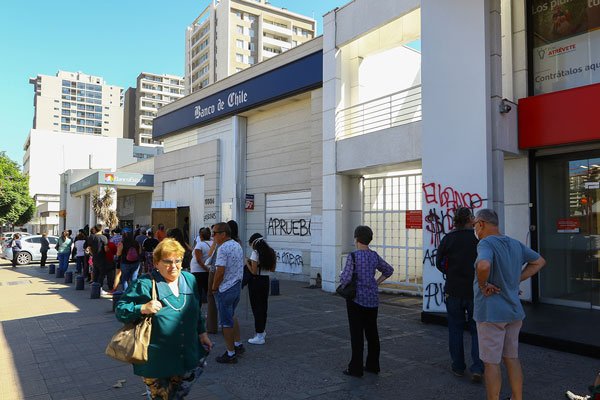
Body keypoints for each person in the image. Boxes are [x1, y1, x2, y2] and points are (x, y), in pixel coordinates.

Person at [115, 238, 213, 399]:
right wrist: (142, 308)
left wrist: (202, 334)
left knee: (178, 395)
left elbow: (196, 310)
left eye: (178, 261)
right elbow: (120, 310)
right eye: (167, 261)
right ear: (156, 263)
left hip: (185, 353)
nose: (173, 266)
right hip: (157, 359)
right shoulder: (145, 283)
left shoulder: (189, 279)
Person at [473, 209, 547, 400]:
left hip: (491, 313)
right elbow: (539, 261)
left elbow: (483, 266)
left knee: (491, 363)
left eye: (474, 224)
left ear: (481, 223)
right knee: (511, 358)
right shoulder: (514, 243)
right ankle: (517, 398)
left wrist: (483, 285)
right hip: (514, 312)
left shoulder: (485, 243)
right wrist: (515, 281)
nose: (475, 228)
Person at [436, 207, 484, 382]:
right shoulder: (478, 239)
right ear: (469, 219)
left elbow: (439, 263)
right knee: (476, 330)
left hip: (453, 290)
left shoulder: (448, 239)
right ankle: (477, 368)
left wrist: (450, 273)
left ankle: (458, 367)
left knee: (455, 329)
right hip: (474, 291)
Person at [339, 225, 394, 377]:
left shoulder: (353, 256)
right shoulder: (374, 255)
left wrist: (341, 277)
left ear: (356, 238)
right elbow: (388, 270)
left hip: (356, 300)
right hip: (372, 300)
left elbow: (346, 279)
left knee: (356, 335)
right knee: (372, 333)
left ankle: (355, 368)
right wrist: (376, 282)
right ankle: (373, 365)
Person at [211, 222, 245, 363]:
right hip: (236, 285)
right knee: (231, 316)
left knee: (226, 322)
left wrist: (214, 287)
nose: (213, 236)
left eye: (215, 233)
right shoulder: (237, 245)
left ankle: (230, 353)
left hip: (225, 288)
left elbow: (220, 271)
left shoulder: (223, 248)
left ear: (223, 234)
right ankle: (237, 344)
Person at [245, 233, 277, 345]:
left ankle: (259, 335)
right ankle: (262, 331)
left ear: (254, 243)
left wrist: (247, 263)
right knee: (263, 307)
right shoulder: (271, 252)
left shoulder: (255, 253)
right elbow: (273, 269)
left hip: (256, 281)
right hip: (265, 281)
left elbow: (253, 271)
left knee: (256, 308)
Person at [190, 228, 212, 306]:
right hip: (208, 271)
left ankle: (197, 311)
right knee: (208, 292)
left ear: (201, 236)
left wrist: (205, 268)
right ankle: (211, 311)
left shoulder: (200, 244)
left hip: (198, 271)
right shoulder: (213, 243)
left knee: (197, 293)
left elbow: (198, 260)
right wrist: (208, 270)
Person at [87, 224, 109, 288]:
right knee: (101, 273)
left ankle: (95, 286)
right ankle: (100, 287)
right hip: (102, 257)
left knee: (95, 272)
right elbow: (106, 249)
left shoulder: (91, 237)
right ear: (101, 229)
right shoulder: (104, 237)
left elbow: (89, 248)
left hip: (95, 257)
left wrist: (93, 254)